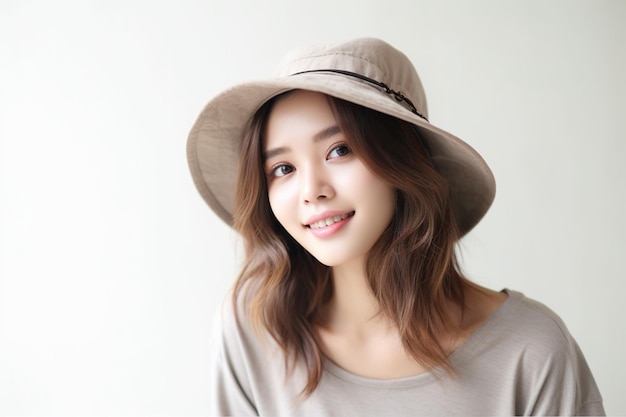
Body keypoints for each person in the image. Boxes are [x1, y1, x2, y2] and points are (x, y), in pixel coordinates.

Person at [186, 38, 604, 416]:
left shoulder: (530, 351)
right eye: (283, 168)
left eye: (340, 149)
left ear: (403, 163)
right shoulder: (254, 329)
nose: (311, 191)